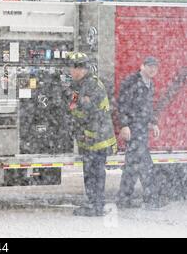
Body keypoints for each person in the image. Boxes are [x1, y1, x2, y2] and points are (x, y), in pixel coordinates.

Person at [67, 52, 117, 217]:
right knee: (90, 172)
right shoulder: (80, 85)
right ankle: (93, 203)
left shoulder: (92, 85)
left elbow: (91, 111)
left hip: (96, 138)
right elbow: (74, 108)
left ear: (82, 69)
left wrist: (74, 101)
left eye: (74, 68)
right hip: (89, 137)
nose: (71, 71)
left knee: (95, 172)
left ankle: (96, 205)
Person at [116, 56, 164, 209]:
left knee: (133, 165)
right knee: (145, 165)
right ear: (142, 66)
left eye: (155, 67)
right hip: (133, 129)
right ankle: (151, 198)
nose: (152, 69)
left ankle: (124, 198)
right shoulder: (132, 81)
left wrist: (153, 123)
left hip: (142, 129)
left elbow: (147, 107)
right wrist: (124, 125)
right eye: (149, 66)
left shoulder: (150, 84)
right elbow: (122, 104)